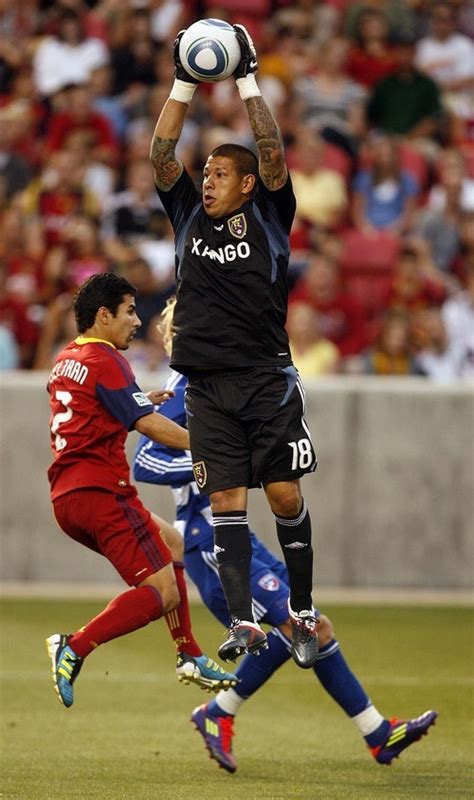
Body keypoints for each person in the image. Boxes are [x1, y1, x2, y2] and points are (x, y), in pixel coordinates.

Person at [132, 308, 438, 772]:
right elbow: (145, 464)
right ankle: (220, 714)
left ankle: (378, 733)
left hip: (240, 536)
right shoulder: (182, 392)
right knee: (295, 629)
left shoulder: (219, 385)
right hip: (208, 542)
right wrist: (215, 464)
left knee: (314, 628)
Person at [149, 25, 319, 668]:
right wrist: (185, 83)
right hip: (207, 383)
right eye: (209, 172)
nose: (210, 180)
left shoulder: (272, 212)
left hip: (266, 377)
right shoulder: (188, 212)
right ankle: (246, 623)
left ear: (249, 184)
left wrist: (246, 79)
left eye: (222, 173)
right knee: (225, 501)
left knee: (282, 496)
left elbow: (270, 153)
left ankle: (301, 611)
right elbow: (161, 156)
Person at [45, 272, 238, 709]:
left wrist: (134, 400)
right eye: (129, 311)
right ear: (103, 315)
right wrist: (210, 443)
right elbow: (148, 428)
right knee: (162, 593)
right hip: (101, 493)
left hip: (68, 497)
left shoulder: (66, 358)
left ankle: (188, 652)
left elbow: (90, 411)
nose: (136, 320)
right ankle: (74, 646)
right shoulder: (108, 360)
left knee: (172, 540)